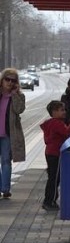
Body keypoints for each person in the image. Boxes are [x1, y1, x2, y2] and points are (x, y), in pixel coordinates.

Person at [40, 100, 70, 211]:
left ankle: (50, 200)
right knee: (54, 178)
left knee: (53, 177)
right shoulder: (57, 123)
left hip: (50, 153)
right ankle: (49, 201)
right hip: (55, 153)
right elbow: (67, 132)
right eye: (62, 110)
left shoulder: (51, 123)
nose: (64, 112)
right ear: (54, 112)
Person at [0, 68, 26, 198]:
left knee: (5, 161)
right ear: (2, 80)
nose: (9, 82)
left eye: (13, 80)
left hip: (7, 135)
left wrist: (15, 94)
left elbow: (19, 110)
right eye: (7, 79)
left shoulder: (19, 96)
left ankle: (5, 189)